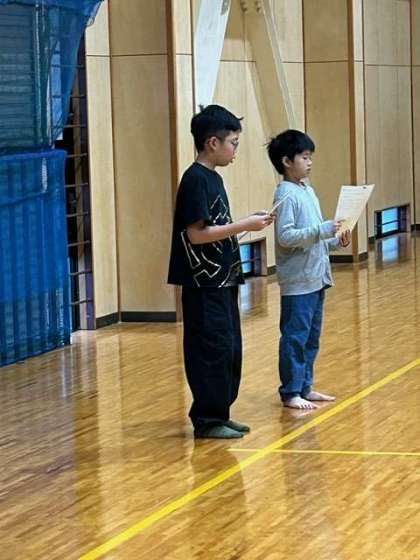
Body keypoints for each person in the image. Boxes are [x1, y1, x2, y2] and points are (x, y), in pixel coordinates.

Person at [168, 104, 273, 438]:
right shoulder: (195, 180)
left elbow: (217, 230)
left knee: (228, 347)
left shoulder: (214, 178)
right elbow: (196, 235)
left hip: (223, 280)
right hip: (203, 284)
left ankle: (221, 412)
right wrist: (244, 224)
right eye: (233, 143)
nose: (235, 150)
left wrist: (247, 224)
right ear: (212, 143)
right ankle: (207, 419)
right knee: (210, 349)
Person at [267, 129, 351, 410]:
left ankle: (305, 386)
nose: (310, 162)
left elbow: (315, 237)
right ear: (286, 161)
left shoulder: (307, 191)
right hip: (298, 281)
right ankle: (291, 391)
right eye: (304, 157)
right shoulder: (286, 194)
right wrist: (323, 230)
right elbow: (286, 237)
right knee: (295, 336)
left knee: (311, 337)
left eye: (310, 157)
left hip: (316, 277)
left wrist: (335, 241)